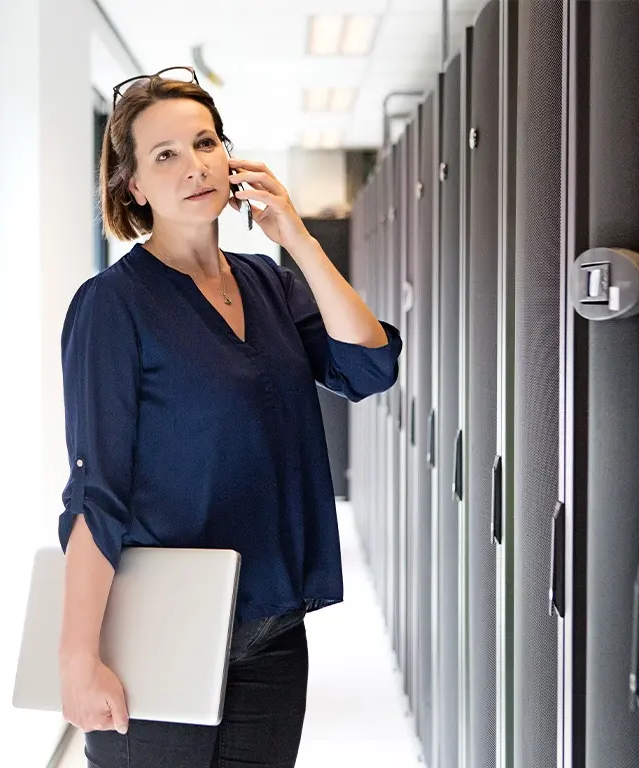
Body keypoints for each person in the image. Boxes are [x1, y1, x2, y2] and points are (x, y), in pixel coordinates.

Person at [57, 66, 402, 768]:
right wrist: (77, 657)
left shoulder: (268, 282)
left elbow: (369, 367)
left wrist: (298, 238)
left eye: (205, 143)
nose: (194, 166)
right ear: (133, 186)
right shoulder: (112, 306)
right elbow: (97, 491)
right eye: (165, 155)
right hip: (162, 626)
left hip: (271, 630)